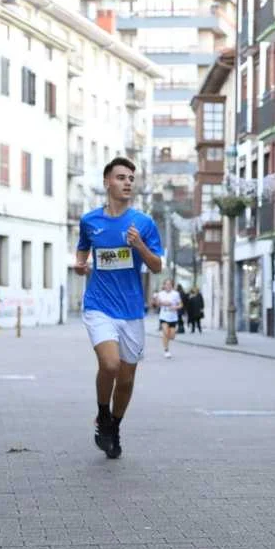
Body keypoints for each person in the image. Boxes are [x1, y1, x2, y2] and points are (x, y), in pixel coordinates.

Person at [75, 156, 164, 459]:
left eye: (130, 179)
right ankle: (103, 414)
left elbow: (157, 266)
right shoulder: (90, 221)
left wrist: (139, 245)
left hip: (131, 310)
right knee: (110, 364)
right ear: (107, 182)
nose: (127, 183)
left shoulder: (144, 223)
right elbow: (83, 249)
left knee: (125, 379)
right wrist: (80, 265)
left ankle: (113, 426)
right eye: (121, 177)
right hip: (98, 305)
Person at [151, 279, 182, 358]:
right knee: (165, 332)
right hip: (163, 316)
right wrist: (159, 301)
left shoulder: (176, 294)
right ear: (164, 285)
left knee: (172, 336)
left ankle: (167, 343)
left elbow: (181, 305)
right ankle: (166, 350)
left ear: (172, 285)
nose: (168, 286)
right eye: (166, 284)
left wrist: (175, 307)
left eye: (170, 284)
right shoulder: (160, 294)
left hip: (173, 317)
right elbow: (156, 304)